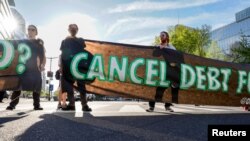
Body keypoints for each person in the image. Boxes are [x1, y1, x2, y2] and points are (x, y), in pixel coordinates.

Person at [6, 25, 46, 110]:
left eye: (33, 30)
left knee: (37, 86)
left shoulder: (39, 43)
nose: (30, 31)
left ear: (36, 32)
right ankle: (12, 104)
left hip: (35, 68)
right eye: (29, 29)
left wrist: (42, 65)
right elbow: (12, 49)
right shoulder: (22, 42)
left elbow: (43, 55)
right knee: (18, 86)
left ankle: (36, 105)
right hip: (23, 67)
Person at [60, 24, 92, 111]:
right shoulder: (64, 41)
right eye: (71, 28)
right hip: (68, 66)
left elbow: (85, 51)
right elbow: (62, 54)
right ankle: (71, 104)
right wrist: (61, 66)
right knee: (69, 85)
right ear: (68, 29)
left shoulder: (81, 40)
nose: (73, 29)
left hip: (80, 66)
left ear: (77, 30)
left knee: (82, 85)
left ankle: (84, 105)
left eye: (75, 28)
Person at [146, 31, 178, 112]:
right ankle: (151, 106)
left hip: (169, 71)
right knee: (156, 88)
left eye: (163, 35)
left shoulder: (172, 47)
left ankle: (167, 106)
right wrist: (159, 49)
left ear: (167, 37)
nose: (161, 37)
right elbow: (153, 55)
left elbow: (176, 57)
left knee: (168, 88)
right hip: (158, 71)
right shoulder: (157, 46)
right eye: (160, 36)